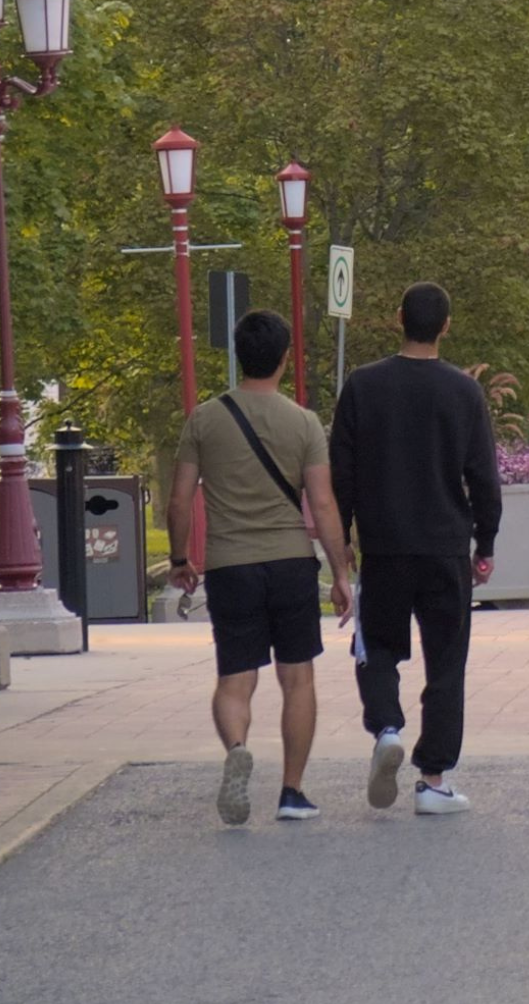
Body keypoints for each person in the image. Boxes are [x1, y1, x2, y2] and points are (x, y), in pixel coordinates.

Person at [168, 311, 357, 824]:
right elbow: (322, 504)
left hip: (231, 567)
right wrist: (340, 573)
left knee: (235, 680)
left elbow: (181, 500)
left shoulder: (204, 419)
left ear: (237, 356)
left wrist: (181, 558)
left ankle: (236, 749)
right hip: (292, 563)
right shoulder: (303, 422)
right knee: (297, 680)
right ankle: (292, 793)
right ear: (285, 357)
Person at [329, 282, 501, 816]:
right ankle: (433, 780)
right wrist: (485, 543)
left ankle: (386, 727)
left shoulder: (362, 386)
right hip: (445, 545)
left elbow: (341, 474)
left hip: (384, 546)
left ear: (397, 317)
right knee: (446, 662)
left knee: (376, 647)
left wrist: (345, 544)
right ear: (446, 326)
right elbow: (484, 479)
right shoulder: (464, 393)